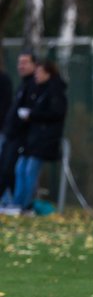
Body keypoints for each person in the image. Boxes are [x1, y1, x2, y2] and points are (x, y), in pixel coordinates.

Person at [11, 57, 68, 211]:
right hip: (31, 139)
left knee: (30, 171)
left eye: (39, 72)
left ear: (48, 73)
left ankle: (25, 205)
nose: (36, 75)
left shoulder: (55, 91)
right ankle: (17, 203)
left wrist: (33, 115)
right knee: (20, 169)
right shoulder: (37, 90)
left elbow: (56, 113)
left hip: (44, 140)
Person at [0, 52, 36, 204]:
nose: (21, 66)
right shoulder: (23, 85)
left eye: (25, 62)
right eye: (19, 62)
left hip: (20, 137)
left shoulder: (32, 85)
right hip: (10, 134)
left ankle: (20, 204)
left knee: (17, 170)